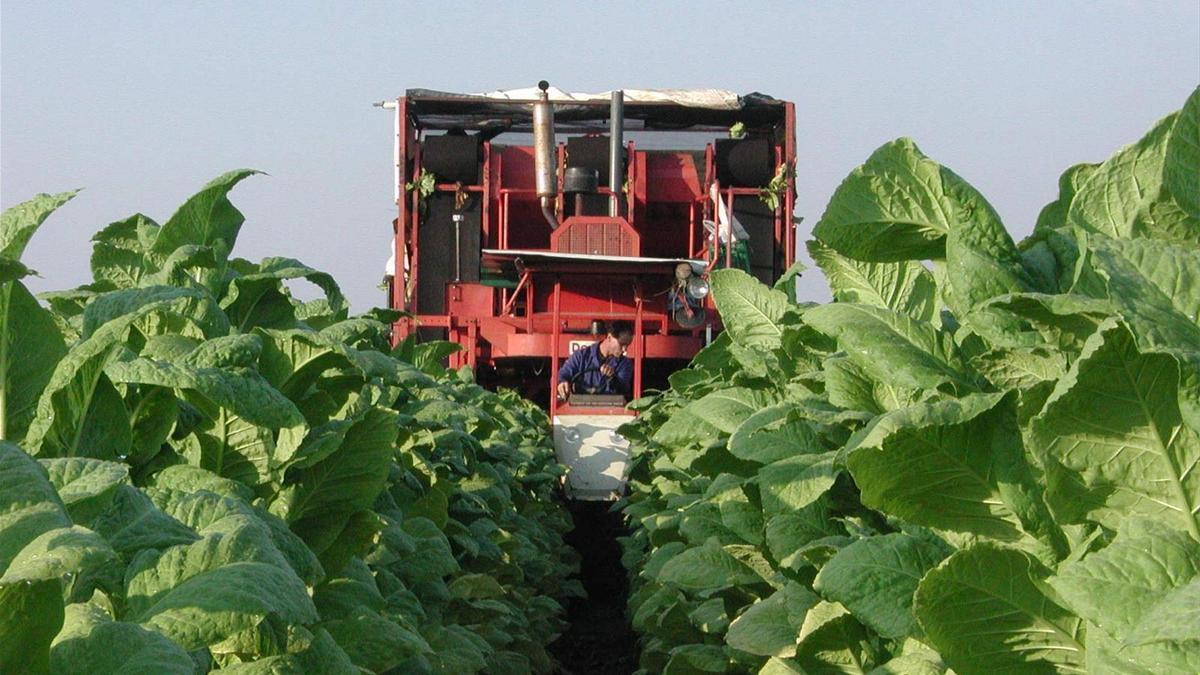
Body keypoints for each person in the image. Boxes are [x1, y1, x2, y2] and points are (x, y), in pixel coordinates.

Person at [556, 320, 634, 401]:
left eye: (627, 345)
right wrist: (561, 382)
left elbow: (623, 390)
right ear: (609, 338)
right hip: (580, 407)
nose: (624, 349)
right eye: (621, 344)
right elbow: (562, 374)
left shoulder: (625, 364)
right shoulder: (581, 356)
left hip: (611, 409)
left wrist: (613, 378)